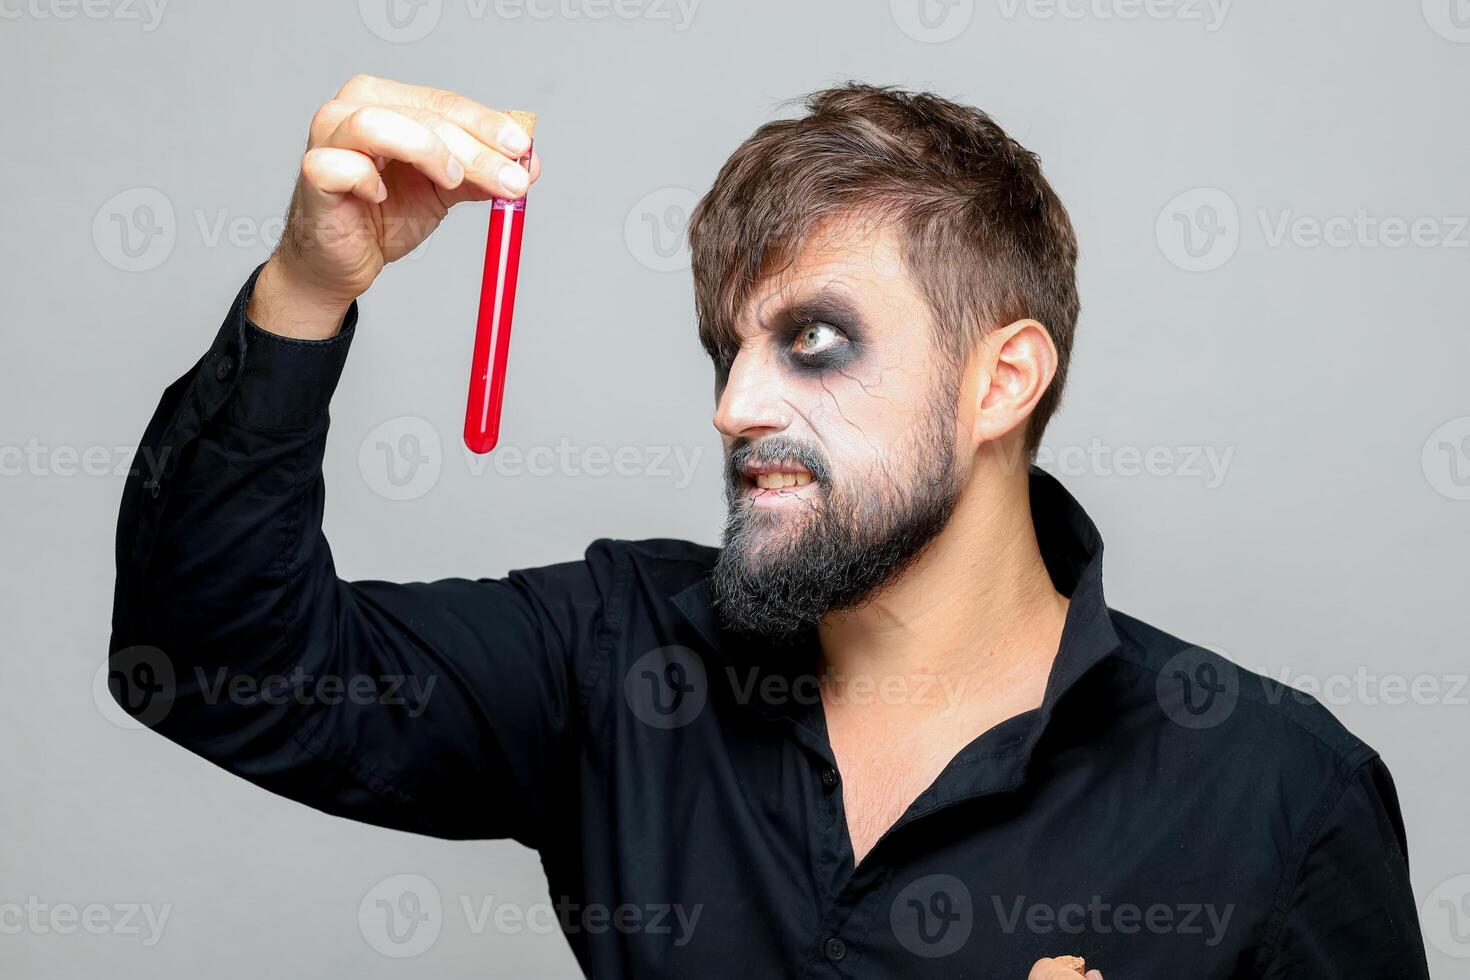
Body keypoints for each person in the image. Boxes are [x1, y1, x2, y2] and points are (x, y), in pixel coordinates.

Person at [109, 74, 1429, 978]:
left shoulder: (1272, 793)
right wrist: (306, 285)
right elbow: (216, 664)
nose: (736, 405)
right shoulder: (616, 663)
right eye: (726, 351)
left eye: (813, 343)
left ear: (999, 381)